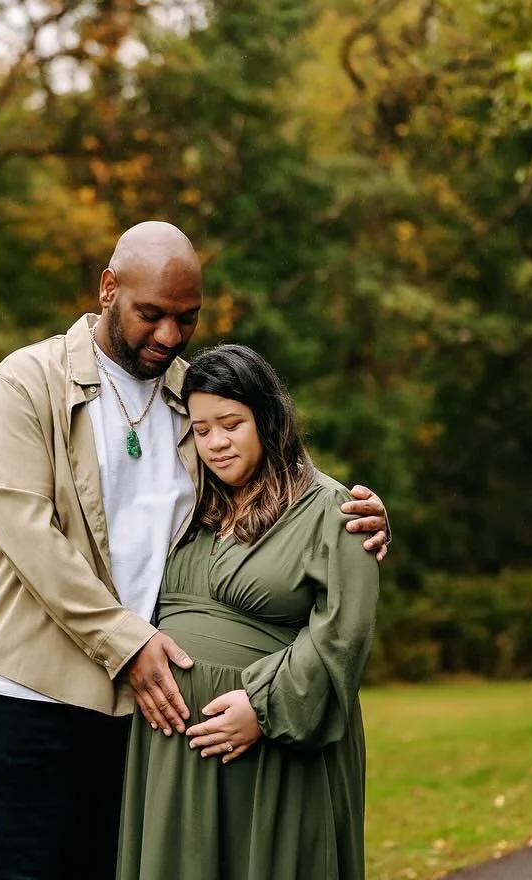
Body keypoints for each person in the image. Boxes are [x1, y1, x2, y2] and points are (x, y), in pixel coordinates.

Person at [0, 220, 388, 880]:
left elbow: (276, 471)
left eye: (186, 319)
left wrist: (358, 513)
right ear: (108, 289)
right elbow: (27, 534)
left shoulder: (192, 392)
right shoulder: (27, 383)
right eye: (151, 314)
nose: (168, 335)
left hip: (150, 702)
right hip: (40, 692)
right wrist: (127, 642)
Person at [117, 343, 378, 880]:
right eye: (202, 429)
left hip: (274, 746)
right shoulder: (187, 504)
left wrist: (263, 706)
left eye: (231, 424)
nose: (216, 443)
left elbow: (344, 632)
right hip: (173, 747)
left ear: (268, 418)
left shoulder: (331, 508)